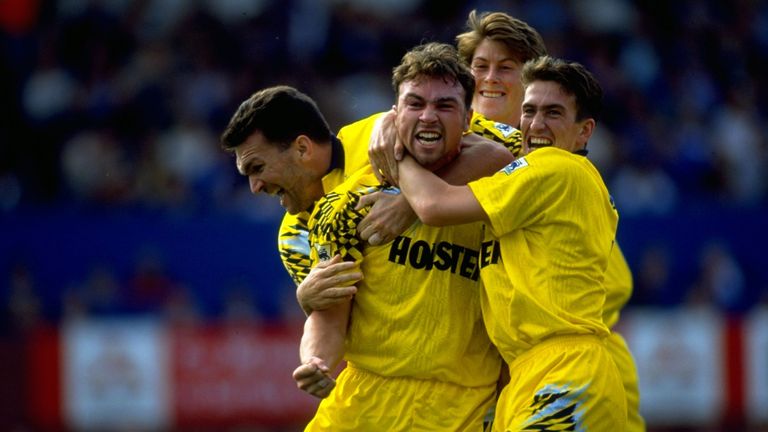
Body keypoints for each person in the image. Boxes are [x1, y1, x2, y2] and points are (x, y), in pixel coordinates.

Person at [367, 10, 644, 431]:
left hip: (566, 368)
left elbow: (434, 206)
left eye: (553, 114)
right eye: (530, 112)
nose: (535, 125)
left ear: (584, 132)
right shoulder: (526, 179)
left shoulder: (553, 167)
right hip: (527, 375)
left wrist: (398, 143)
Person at [220, 43, 512, 430]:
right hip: (367, 393)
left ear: (303, 148)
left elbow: (512, 155)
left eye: (257, 168)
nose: (254, 187)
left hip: (465, 392)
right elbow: (333, 315)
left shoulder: (386, 134)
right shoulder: (301, 231)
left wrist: (415, 202)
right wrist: (311, 329)